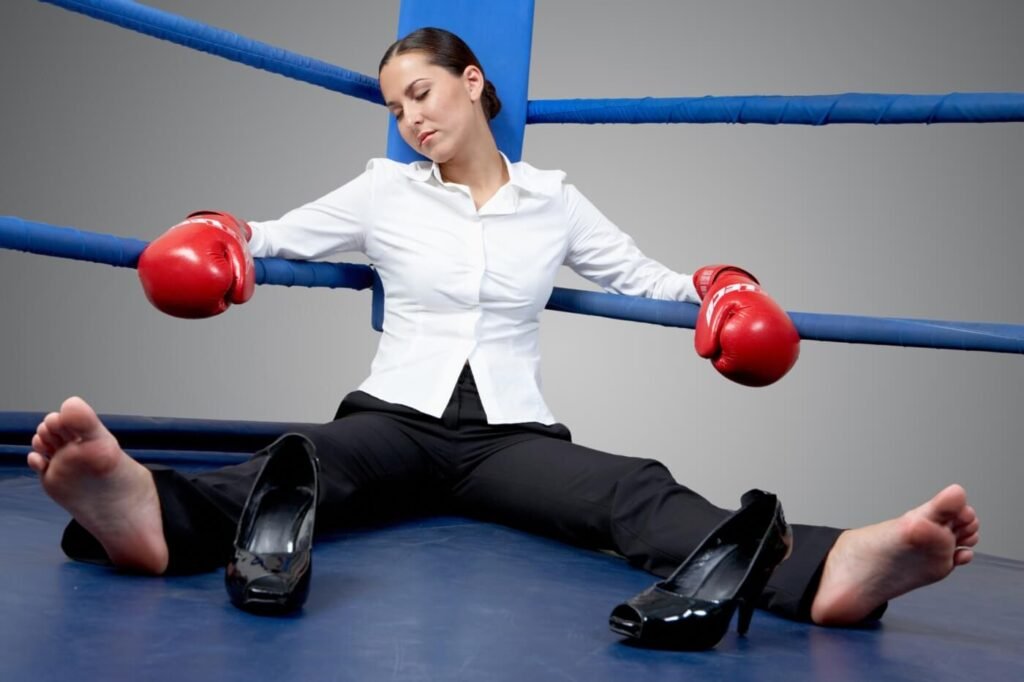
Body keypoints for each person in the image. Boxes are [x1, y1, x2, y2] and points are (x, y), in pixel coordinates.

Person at [26, 27, 978, 629]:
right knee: (300, 462)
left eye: (422, 93)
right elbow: (266, 235)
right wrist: (217, 238)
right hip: (391, 420)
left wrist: (722, 291)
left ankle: (832, 569)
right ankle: (145, 514)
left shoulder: (555, 202)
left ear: (473, 84)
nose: (408, 119)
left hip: (510, 437)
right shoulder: (381, 192)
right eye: (396, 105)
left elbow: (641, 277)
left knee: (631, 491)